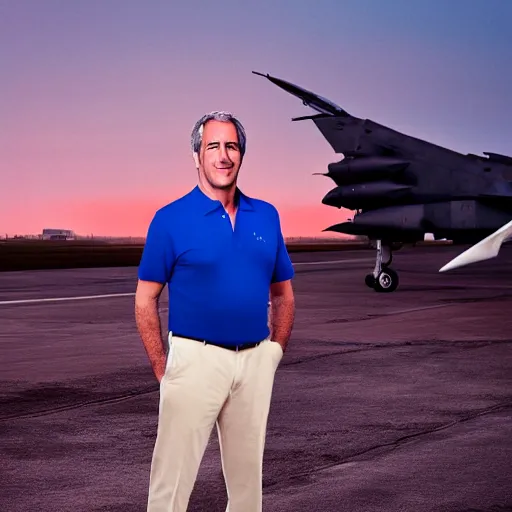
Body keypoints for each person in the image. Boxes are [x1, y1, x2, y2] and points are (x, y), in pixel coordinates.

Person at [134, 110, 296, 512]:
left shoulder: (267, 216)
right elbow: (144, 300)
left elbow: (284, 295)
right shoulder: (170, 220)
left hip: (254, 362)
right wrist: (163, 370)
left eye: (232, 146)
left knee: (247, 491)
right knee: (170, 488)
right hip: (195, 361)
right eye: (213, 147)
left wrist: (273, 352)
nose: (223, 156)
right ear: (196, 156)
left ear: (241, 154)